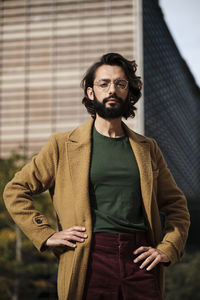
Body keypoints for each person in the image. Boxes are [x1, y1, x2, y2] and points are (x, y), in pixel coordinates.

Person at [3, 53, 190, 300]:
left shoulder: (148, 148)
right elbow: (16, 189)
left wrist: (168, 248)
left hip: (141, 260)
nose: (112, 89)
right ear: (91, 93)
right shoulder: (63, 145)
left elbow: (176, 205)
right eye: (104, 83)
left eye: (120, 84)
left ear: (128, 92)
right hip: (88, 258)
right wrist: (46, 234)